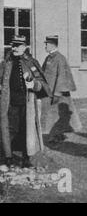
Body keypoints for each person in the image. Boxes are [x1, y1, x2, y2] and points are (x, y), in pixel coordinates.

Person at [0, 35, 51, 168]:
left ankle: (26, 157)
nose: (14, 48)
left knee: (26, 130)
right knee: (9, 130)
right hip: (9, 103)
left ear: (24, 47)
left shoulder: (31, 62)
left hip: (27, 104)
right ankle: (8, 157)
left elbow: (44, 85)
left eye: (18, 45)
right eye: (13, 45)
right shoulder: (5, 63)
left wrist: (33, 84)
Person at [41, 35, 82, 143]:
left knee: (59, 115)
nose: (45, 46)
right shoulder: (48, 57)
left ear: (52, 45)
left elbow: (62, 77)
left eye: (46, 44)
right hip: (49, 92)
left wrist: (57, 94)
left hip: (58, 94)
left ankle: (57, 136)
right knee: (51, 116)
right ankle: (54, 135)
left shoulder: (60, 58)